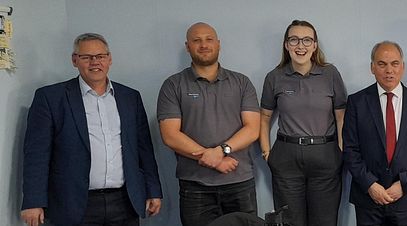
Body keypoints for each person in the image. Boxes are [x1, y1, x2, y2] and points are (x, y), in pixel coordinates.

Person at [20, 33, 163, 226]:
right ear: (74, 60)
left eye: (100, 56)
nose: (94, 62)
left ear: (109, 59)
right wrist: (33, 201)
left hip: (124, 201)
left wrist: (153, 190)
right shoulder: (50, 98)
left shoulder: (130, 97)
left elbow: (144, 149)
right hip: (73, 203)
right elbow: (36, 155)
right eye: (86, 57)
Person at [157, 22, 261, 226]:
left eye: (209, 39)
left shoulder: (242, 82)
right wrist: (213, 159)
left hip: (239, 183)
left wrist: (221, 151)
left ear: (218, 44)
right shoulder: (173, 85)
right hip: (196, 186)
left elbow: (252, 129)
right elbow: (170, 135)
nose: (203, 45)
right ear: (188, 46)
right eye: (197, 40)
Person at [259, 20, 347, 226]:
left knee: (324, 221)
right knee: (289, 222)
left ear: (315, 45)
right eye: (294, 40)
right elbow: (264, 117)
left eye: (307, 40)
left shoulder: (330, 74)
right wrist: (266, 152)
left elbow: (341, 116)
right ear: (286, 44)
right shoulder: (274, 77)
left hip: (325, 156)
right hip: (286, 158)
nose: (301, 46)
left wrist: (341, 151)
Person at [343, 41, 407, 226]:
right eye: (382, 64)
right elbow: (350, 149)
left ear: (402, 67)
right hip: (368, 197)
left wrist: (403, 185)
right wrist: (370, 185)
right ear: (372, 67)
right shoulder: (356, 102)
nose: (389, 70)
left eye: (394, 64)